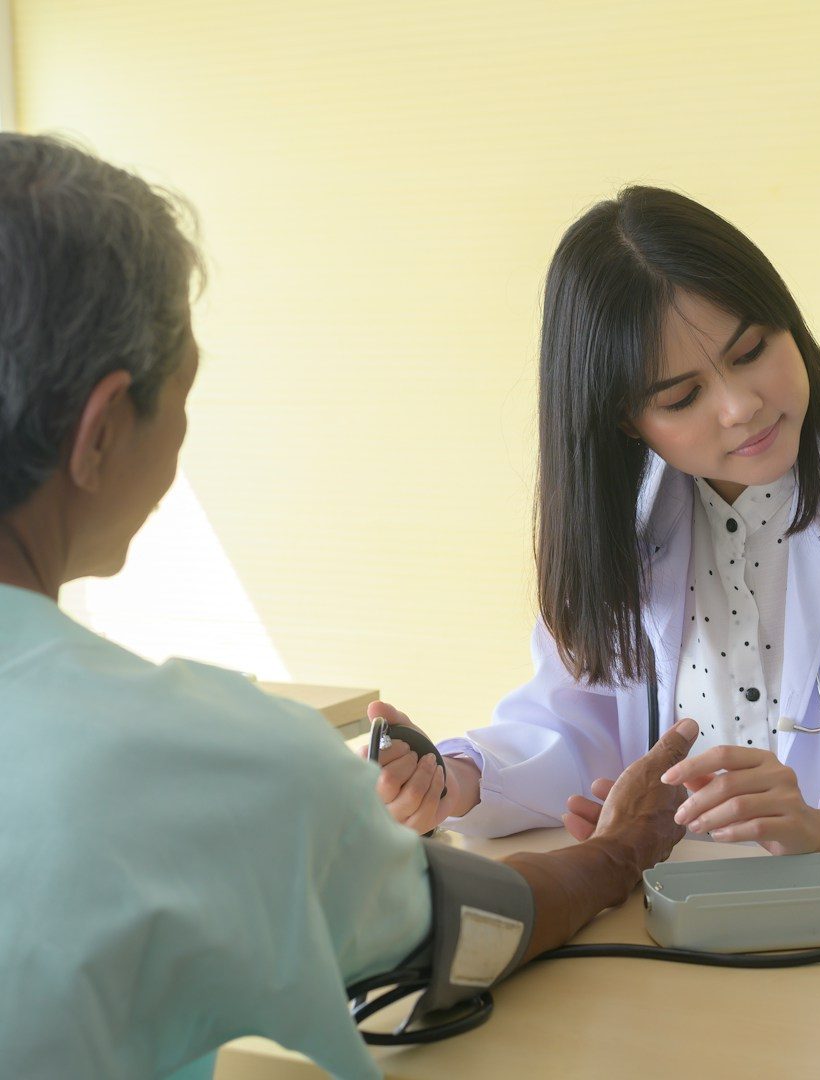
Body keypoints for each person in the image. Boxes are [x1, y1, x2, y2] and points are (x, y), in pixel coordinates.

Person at [0, 135, 698, 1080]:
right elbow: (469, 928)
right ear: (102, 430)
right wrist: (619, 853)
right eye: (185, 392)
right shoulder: (200, 758)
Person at [369, 185, 820, 854]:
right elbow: (568, 732)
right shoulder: (623, 537)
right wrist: (454, 780)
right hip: (678, 911)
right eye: (682, 397)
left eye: (752, 351)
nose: (741, 407)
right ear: (626, 420)